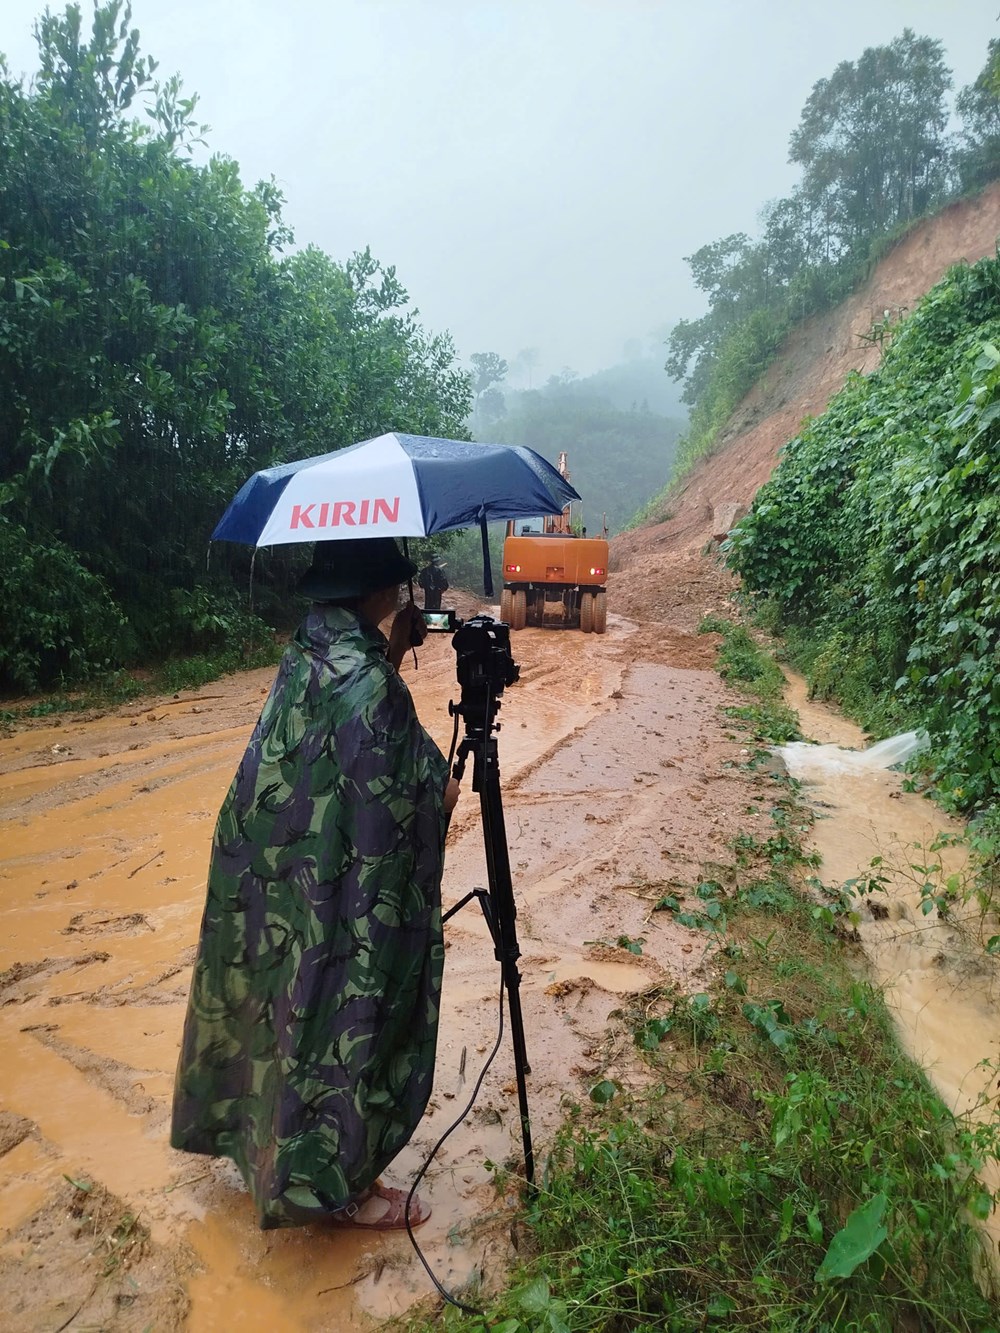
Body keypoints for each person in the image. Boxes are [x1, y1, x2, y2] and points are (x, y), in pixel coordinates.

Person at [170, 537, 460, 1231]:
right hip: (334, 882)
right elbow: (424, 798)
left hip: (267, 863)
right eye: (395, 583)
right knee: (345, 1006)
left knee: (282, 998)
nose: (399, 593)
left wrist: (390, 655)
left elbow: (336, 743)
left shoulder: (304, 652)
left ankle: (263, 1146)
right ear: (377, 593)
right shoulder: (370, 683)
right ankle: (345, 1189)